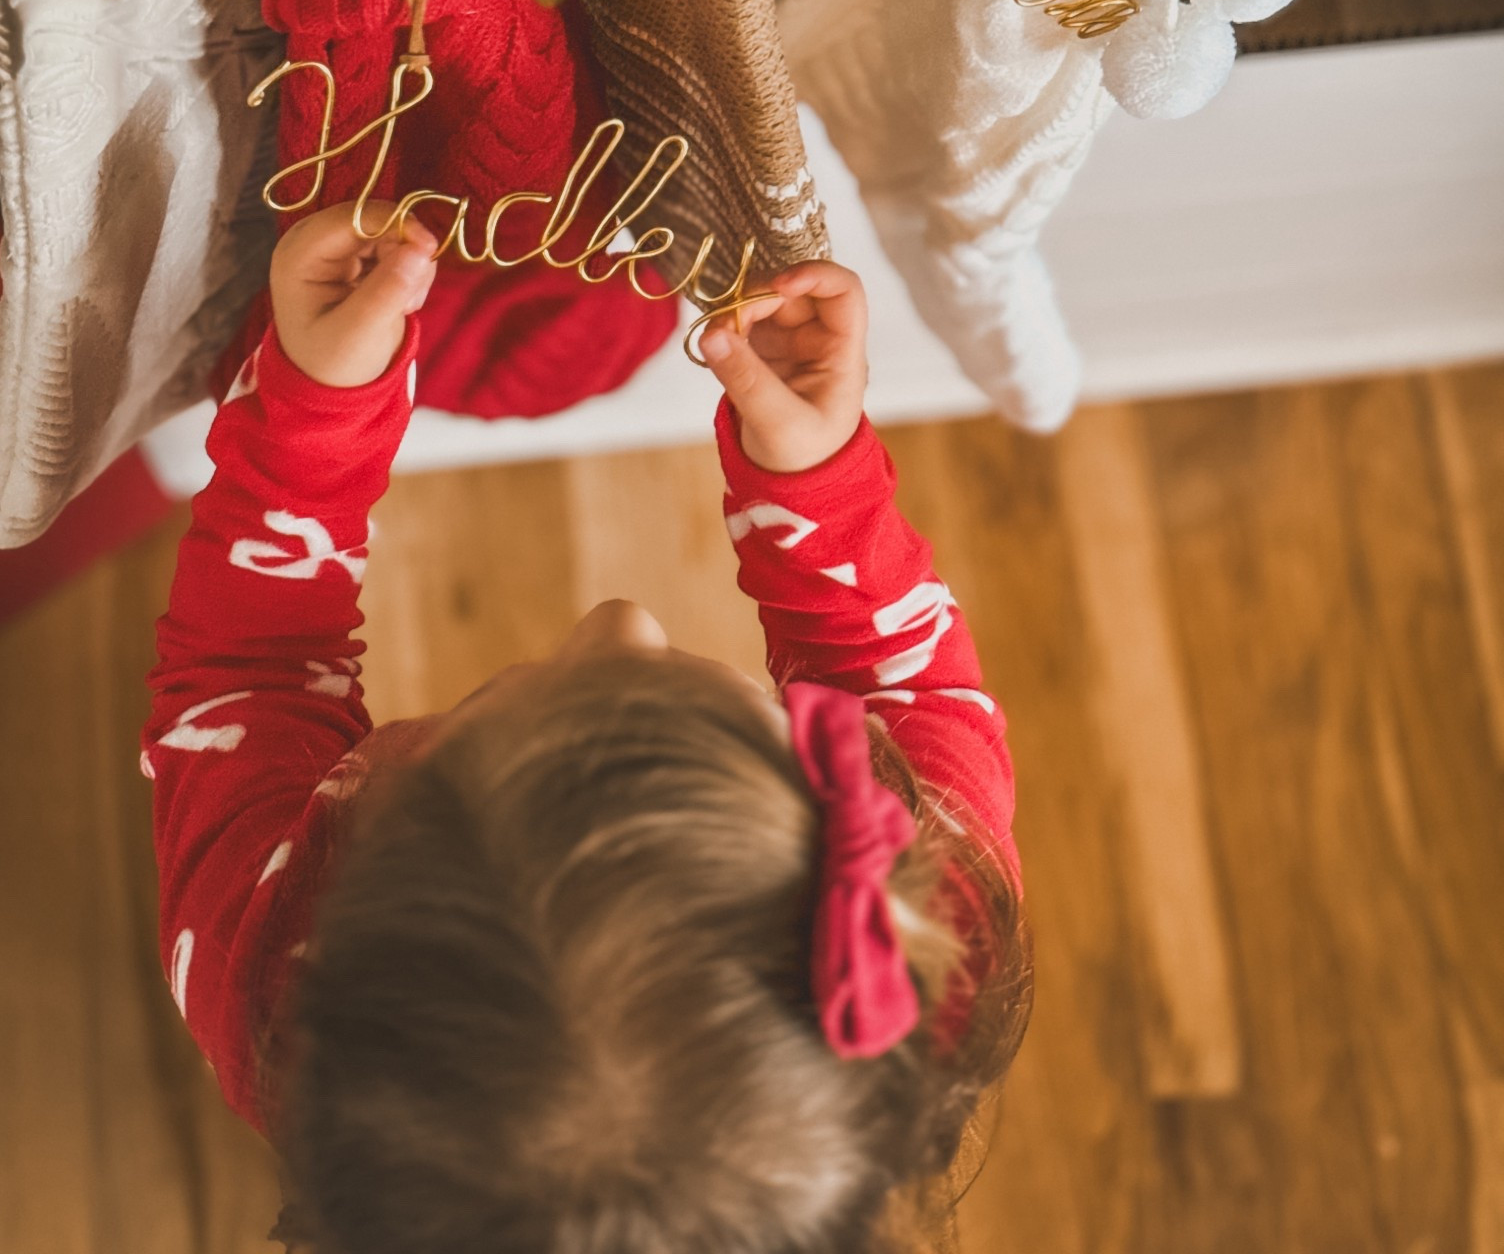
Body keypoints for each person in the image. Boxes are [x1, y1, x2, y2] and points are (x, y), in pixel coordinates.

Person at [144, 204, 1032, 1254]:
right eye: (689, 692)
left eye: (521, 691)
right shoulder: (939, 921)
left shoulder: (269, 986)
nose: (623, 620)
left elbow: (249, 675)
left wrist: (313, 412)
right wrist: (815, 478)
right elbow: (901, 682)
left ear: (368, 849)